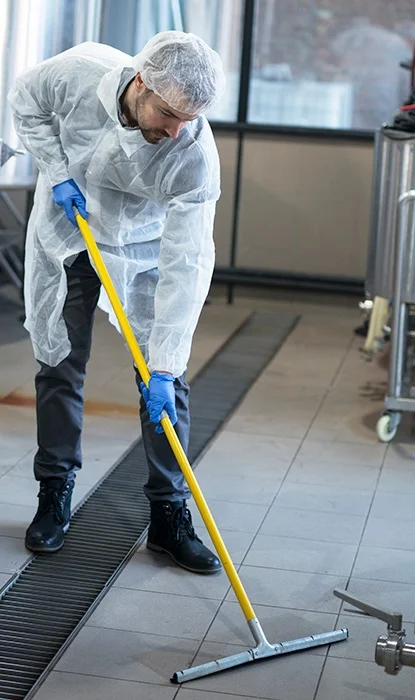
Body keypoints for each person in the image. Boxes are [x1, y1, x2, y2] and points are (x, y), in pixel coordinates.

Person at [7, 32, 225, 575]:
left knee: (165, 382)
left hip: (145, 250)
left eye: (189, 119)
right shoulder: (78, 73)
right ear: (141, 83)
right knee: (59, 362)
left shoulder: (192, 151)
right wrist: (58, 173)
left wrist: (165, 364)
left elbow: (188, 263)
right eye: (169, 114)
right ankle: (53, 494)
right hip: (71, 233)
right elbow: (26, 101)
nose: (176, 130)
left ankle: (169, 517)